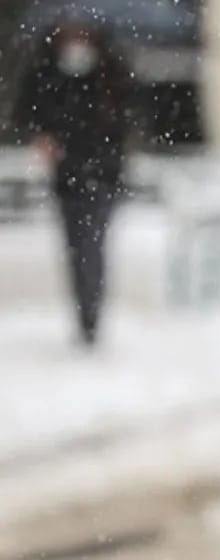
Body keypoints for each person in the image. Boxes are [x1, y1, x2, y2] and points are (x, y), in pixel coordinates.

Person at [12, 12, 131, 348]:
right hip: (67, 176)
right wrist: (42, 136)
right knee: (78, 246)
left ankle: (91, 315)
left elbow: (124, 120)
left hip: (103, 175)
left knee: (91, 246)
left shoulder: (111, 68)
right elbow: (29, 112)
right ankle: (85, 313)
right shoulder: (46, 69)